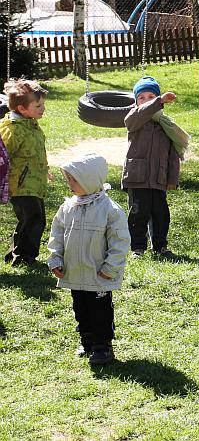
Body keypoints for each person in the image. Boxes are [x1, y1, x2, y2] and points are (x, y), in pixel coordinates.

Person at [46, 153, 129, 366]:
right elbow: (57, 235)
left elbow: (120, 242)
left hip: (98, 274)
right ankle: (87, 341)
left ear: (89, 180)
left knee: (100, 311)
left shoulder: (110, 210)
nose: (69, 184)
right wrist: (55, 259)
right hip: (74, 272)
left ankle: (103, 347)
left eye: (74, 180)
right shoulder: (67, 208)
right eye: (68, 179)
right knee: (81, 309)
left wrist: (110, 268)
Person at [122, 76, 189, 259]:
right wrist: (157, 101)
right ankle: (138, 247)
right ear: (136, 101)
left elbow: (173, 155)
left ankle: (160, 246)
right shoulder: (134, 119)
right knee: (138, 214)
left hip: (159, 178)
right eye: (141, 97)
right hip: (137, 177)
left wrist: (172, 178)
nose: (146, 101)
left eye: (151, 96)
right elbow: (134, 119)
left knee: (161, 215)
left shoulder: (165, 125)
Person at [1, 78, 49, 267]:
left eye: (43, 104)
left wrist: (45, 170)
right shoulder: (13, 130)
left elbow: (35, 152)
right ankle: (23, 256)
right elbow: (3, 155)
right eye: (38, 105)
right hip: (21, 185)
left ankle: (15, 253)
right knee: (33, 218)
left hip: (34, 182)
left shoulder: (30, 124)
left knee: (33, 219)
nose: (43, 108)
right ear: (21, 109)